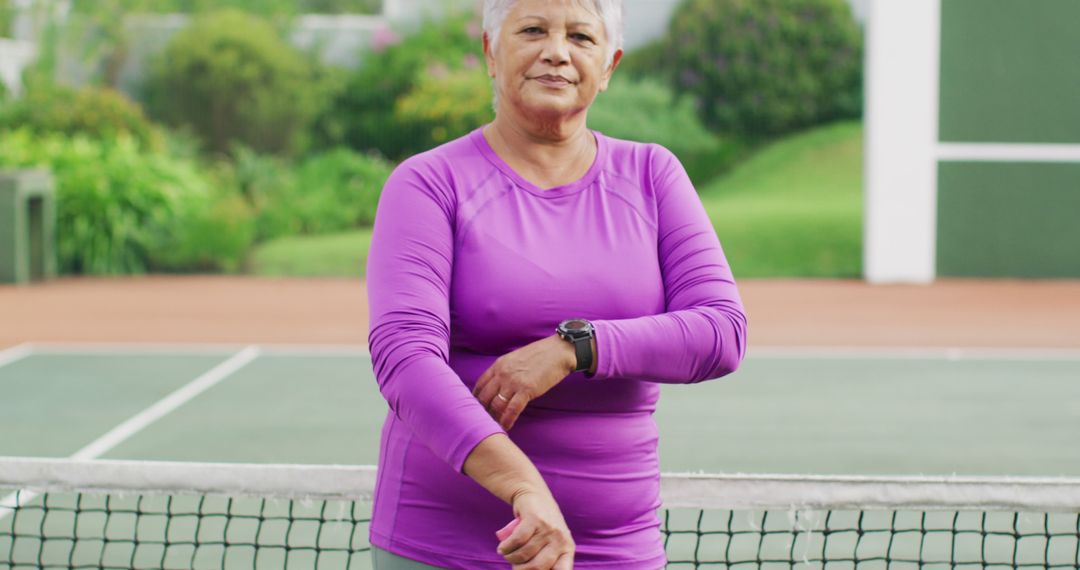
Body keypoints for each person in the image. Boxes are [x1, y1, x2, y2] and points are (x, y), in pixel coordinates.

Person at [365, 0, 747, 568]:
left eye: (581, 38)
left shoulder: (653, 175)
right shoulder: (428, 182)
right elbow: (405, 359)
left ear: (609, 65)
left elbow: (721, 332)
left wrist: (575, 348)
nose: (557, 52)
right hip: (445, 546)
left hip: (617, 547)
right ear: (492, 54)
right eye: (533, 30)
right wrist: (524, 487)